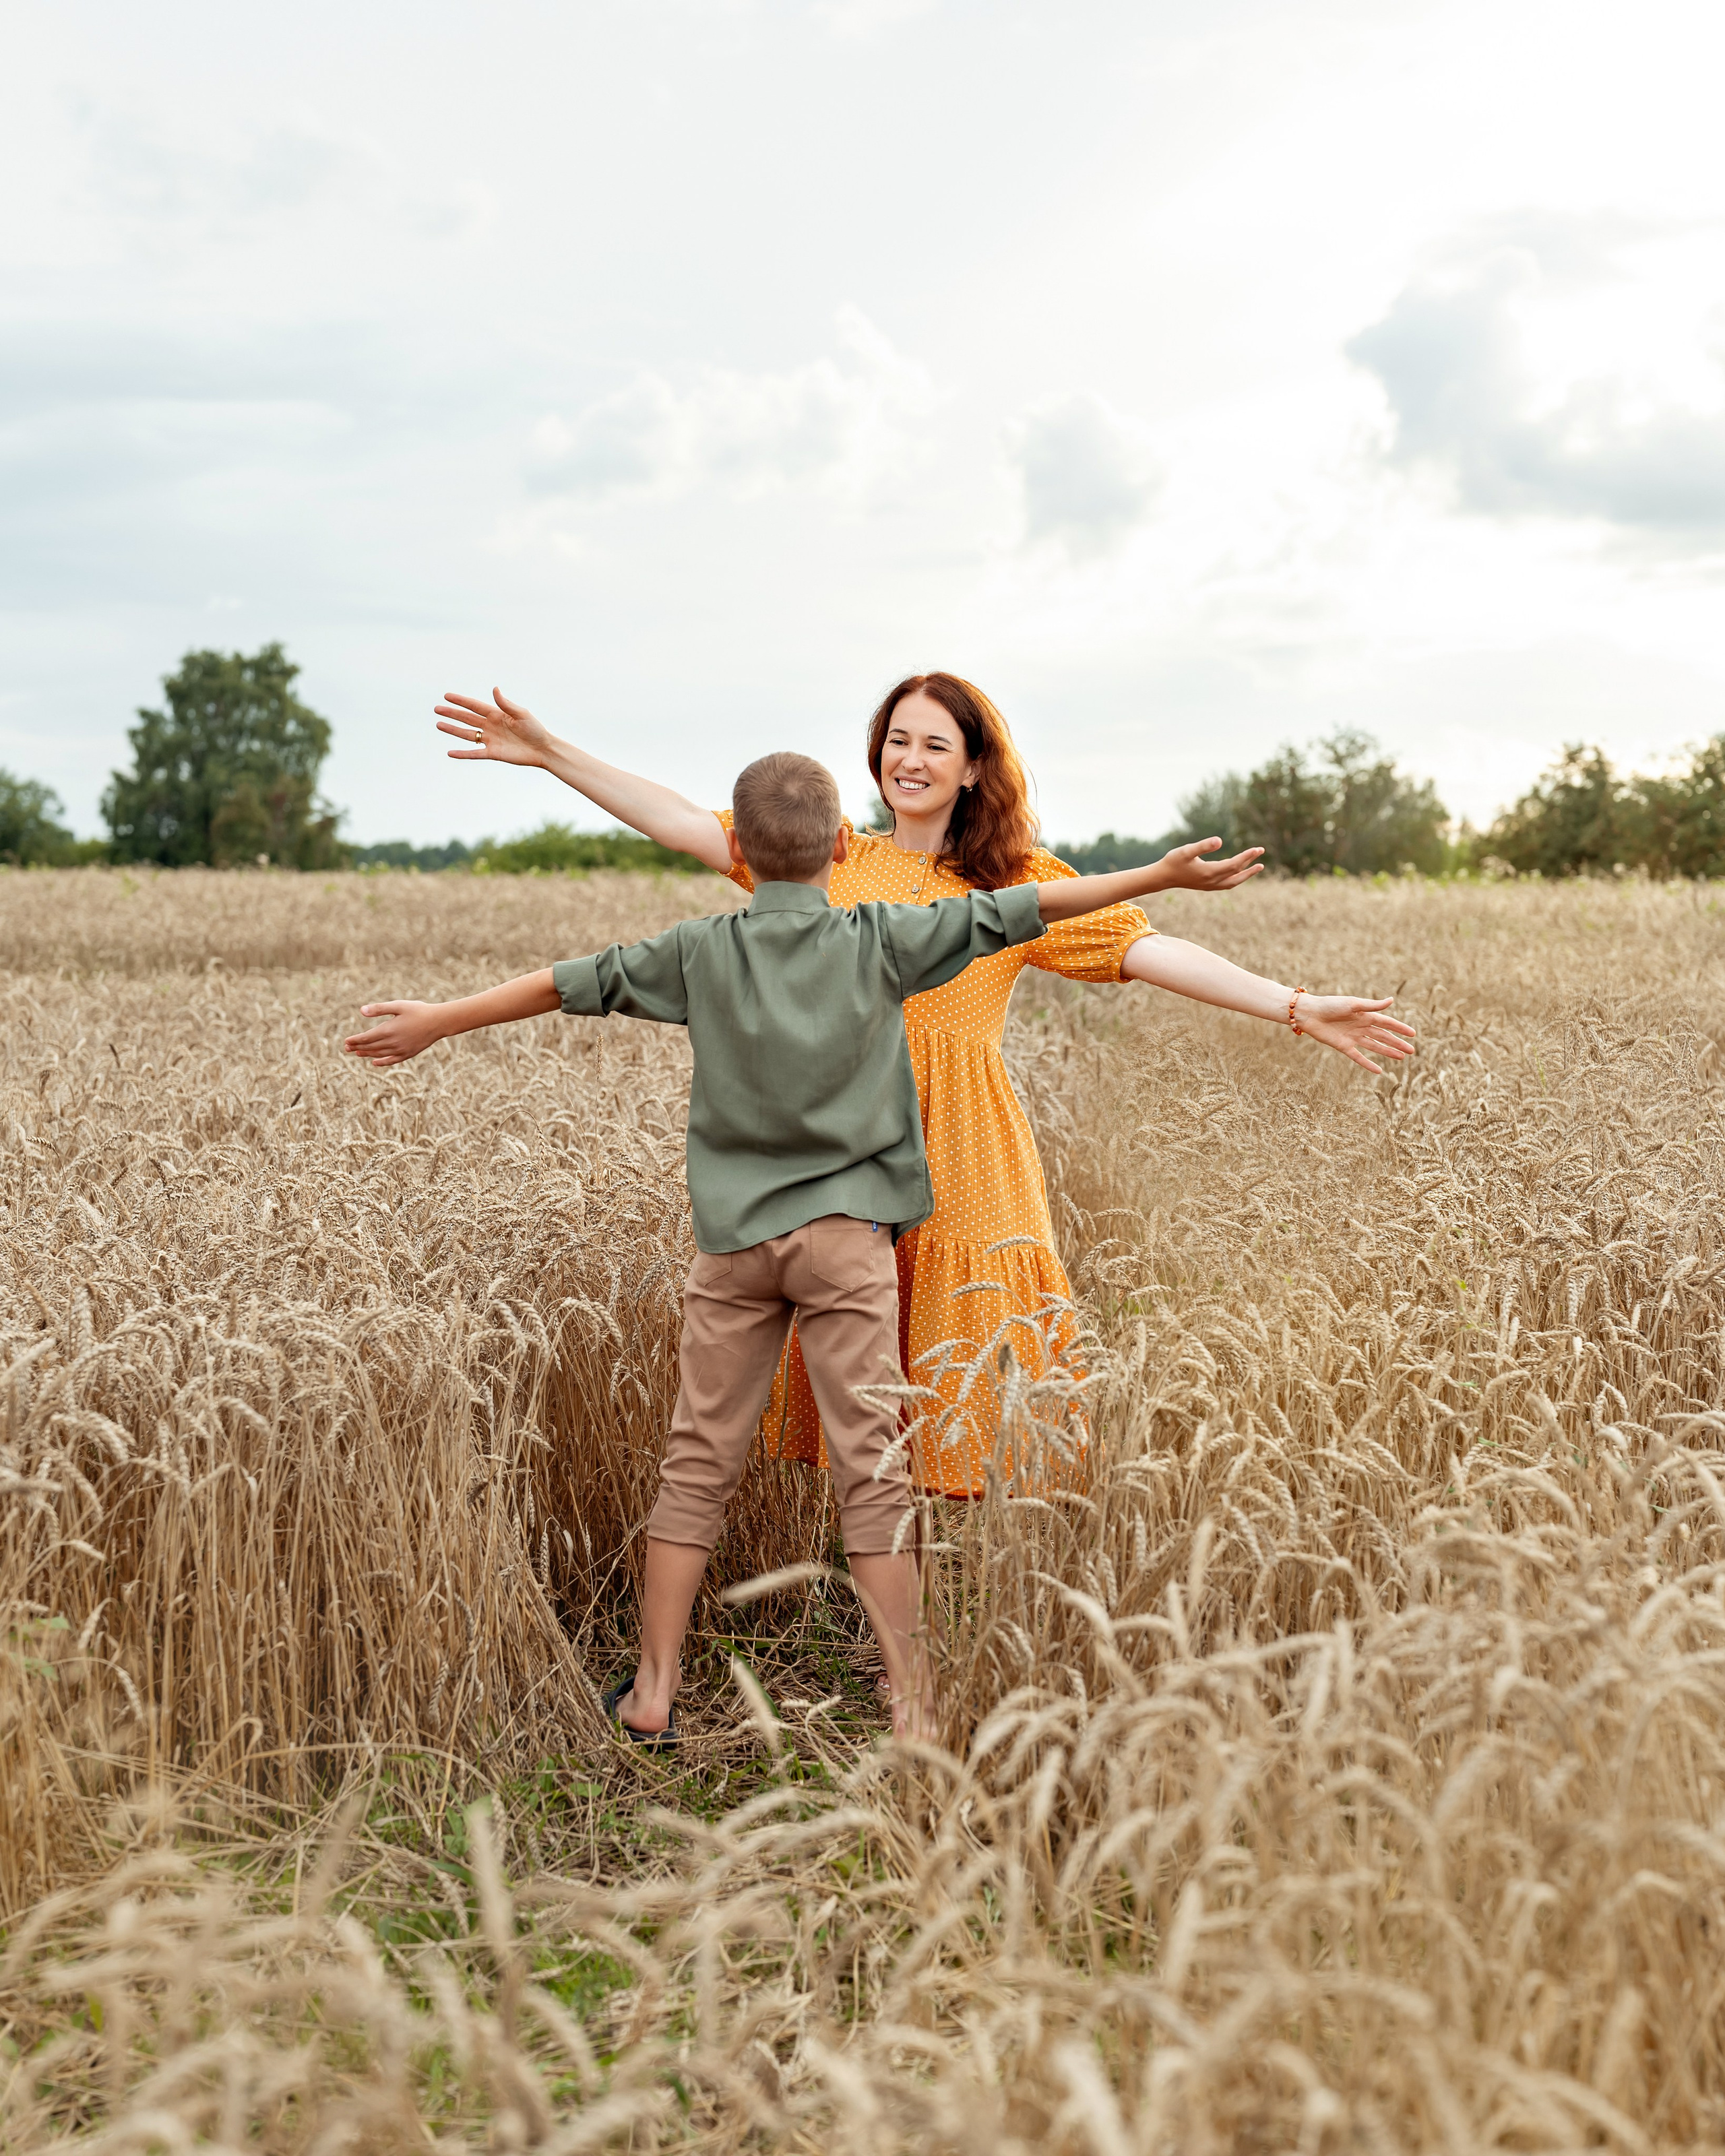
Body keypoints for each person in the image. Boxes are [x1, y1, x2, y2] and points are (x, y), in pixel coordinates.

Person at [346, 752, 1336, 1743]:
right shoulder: (882, 940)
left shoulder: (699, 950)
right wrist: (1158, 877)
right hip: (848, 1248)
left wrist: (439, 1022)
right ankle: (910, 1700)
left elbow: (567, 985)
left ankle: (652, 1689)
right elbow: (1027, 910)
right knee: (874, 1471)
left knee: (696, 1464)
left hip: (734, 1249)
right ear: (836, 847)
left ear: (744, 848)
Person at [431, 676, 1416, 1498]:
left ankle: (954, 1605)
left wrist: (1294, 1006)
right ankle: (880, 1603)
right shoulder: (833, 857)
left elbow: (1150, 952)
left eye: (933, 744)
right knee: (866, 1393)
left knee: (968, 1376)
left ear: (974, 765)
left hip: (964, 1149)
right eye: (896, 739)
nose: (909, 758)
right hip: (842, 1148)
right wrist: (552, 751)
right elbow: (686, 822)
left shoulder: (1011, 882)